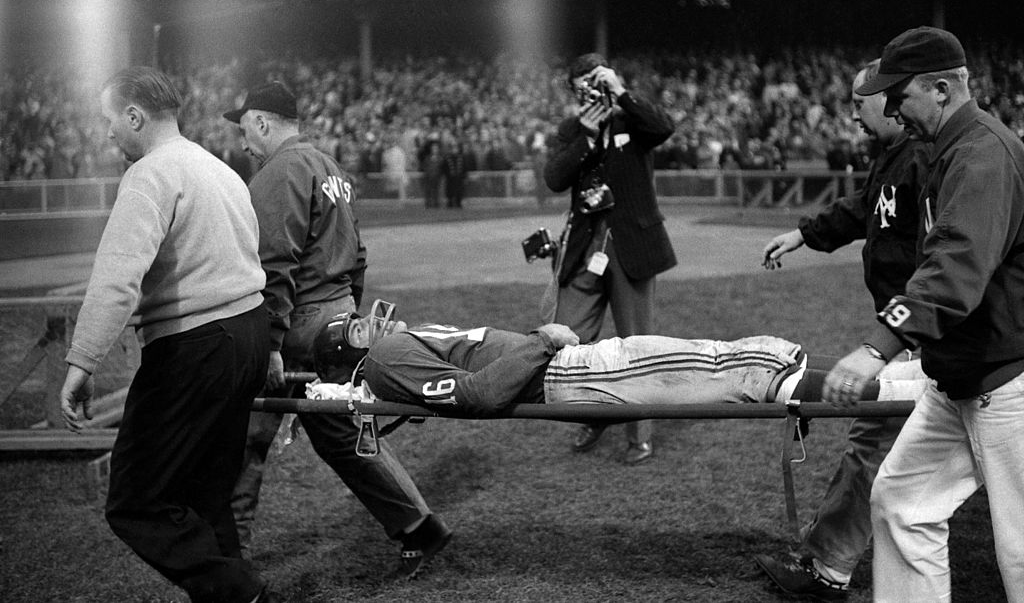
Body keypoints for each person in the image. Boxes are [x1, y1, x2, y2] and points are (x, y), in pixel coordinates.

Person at [59, 67, 273, 603]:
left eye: (110, 120)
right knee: (207, 493)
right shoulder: (219, 168)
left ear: (134, 116)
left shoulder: (151, 174)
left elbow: (116, 278)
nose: (108, 133)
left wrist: (82, 362)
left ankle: (239, 591)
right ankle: (233, 594)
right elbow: (253, 256)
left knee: (135, 499)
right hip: (247, 331)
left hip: (195, 345)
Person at [824, 26, 1024, 602]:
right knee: (903, 503)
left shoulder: (983, 154)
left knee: (1019, 550)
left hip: (1008, 377)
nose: (888, 108)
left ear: (942, 88)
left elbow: (955, 271)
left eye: (898, 95)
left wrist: (876, 347)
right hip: (959, 375)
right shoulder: (944, 149)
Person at [222, 82, 450, 580]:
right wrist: (348, 321)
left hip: (299, 323)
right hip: (338, 318)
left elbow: (274, 264)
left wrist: (271, 343)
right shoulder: (334, 171)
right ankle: (418, 527)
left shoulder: (278, 172)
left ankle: (226, 559)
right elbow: (359, 255)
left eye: (245, 129)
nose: (243, 142)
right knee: (341, 433)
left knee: (244, 432)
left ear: (261, 123)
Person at [754, 59, 931, 599]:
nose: (852, 114)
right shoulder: (894, 156)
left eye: (860, 103)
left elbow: (950, 258)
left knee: (869, 441)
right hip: (912, 330)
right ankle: (827, 563)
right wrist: (804, 233)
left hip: (926, 332)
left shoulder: (926, 158)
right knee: (879, 444)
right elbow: (863, 209)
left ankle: (826, 570)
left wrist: (893, 340)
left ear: (889, 99)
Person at [311, 302, 926, 416]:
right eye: (361, 327)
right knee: (743, 368)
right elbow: (477, 396)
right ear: (352, 352)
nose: (379, 321)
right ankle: (903, 390)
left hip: (568, 368)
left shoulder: (390, 351)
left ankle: (903, 379)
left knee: (735, 360)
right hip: (571, 373)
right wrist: (542, 340)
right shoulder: (388, 358)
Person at [543, 52, 677, 464]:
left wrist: (621, 92)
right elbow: (554, 178)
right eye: (583, 84)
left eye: (597, 80)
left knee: (637, 341)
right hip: (586, 246)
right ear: (574, 92)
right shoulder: (572, 129)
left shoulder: (633, 120)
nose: (592, 89)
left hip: (629, 244)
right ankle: (596, 414)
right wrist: (585, 135)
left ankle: (640, 434)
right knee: (569, 340)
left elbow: (664, 127)